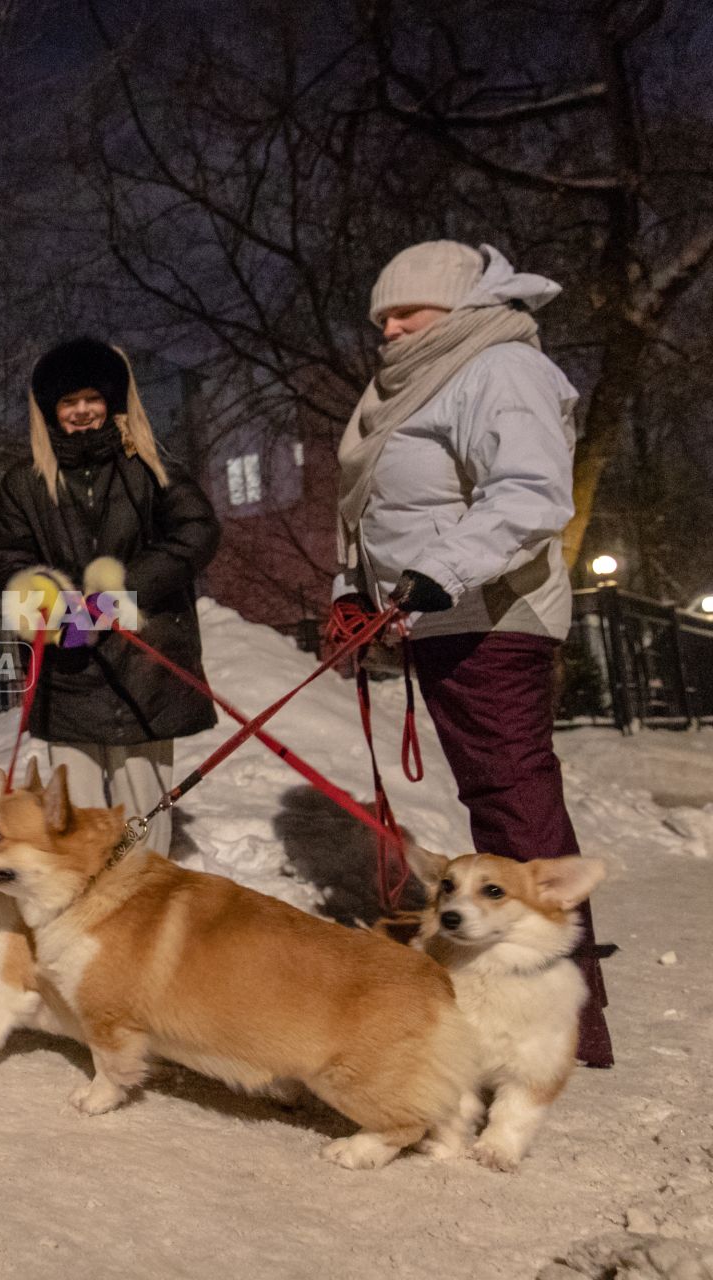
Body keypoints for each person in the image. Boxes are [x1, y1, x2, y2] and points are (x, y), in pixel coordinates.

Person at [334, 239, 612, 1067]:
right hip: (439, 617)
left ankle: (562, 1018)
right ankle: (514, 986)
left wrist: (437, 572)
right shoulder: (414, 381)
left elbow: (530, 493)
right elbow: (373, 510)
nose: (392, 327)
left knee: (514, 809)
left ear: (459, 308)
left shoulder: (496, 368)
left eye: (409, 310)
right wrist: (351, 587)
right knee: (495, 803)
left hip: (491, 615)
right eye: (383, 315)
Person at [0, 339, 221, 856]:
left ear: (111, 401)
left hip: (145, 665)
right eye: (68, 402)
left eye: (91, 398)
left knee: (143, 813)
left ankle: (144, 905)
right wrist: (46, 601)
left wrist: (120, 592)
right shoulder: (23, 484)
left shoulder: (153, 468)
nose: (81, 411)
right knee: (72, 815)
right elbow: (9, 558)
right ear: (51, 411)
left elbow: (197, 530)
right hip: (66, 668)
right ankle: (84, 911)